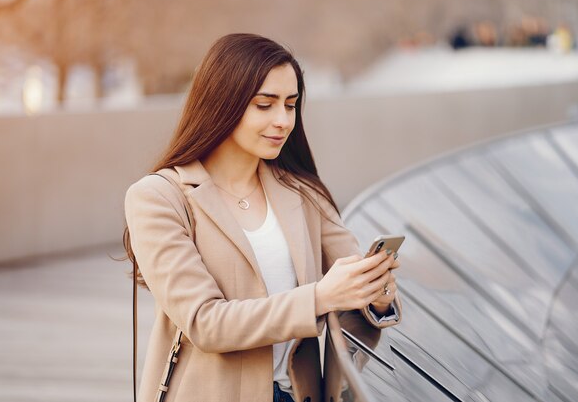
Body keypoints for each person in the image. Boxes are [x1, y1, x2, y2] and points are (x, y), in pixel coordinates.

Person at [123, 33, 402, 402]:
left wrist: (376, 295)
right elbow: (205, 323)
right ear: (222, 103)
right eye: (265, 105)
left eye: (290, 104)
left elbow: (352, 299)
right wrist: (319, 297)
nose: (283, 120)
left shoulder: (304, 193)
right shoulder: (158, 197)